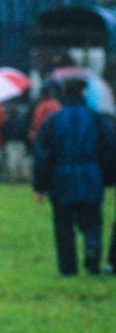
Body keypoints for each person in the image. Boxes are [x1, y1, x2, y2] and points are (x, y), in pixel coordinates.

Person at [33, 76, 116, 275]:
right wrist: (109, 178)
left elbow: (43, 155)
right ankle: (92, 251)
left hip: (61, 179)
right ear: (84, 93)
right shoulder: (97, 119)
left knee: (63, 225)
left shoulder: (53, 120)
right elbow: (109, 150)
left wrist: (40, 185)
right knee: (92, 221)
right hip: (91, 176)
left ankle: (68, 267)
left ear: (63, 93)